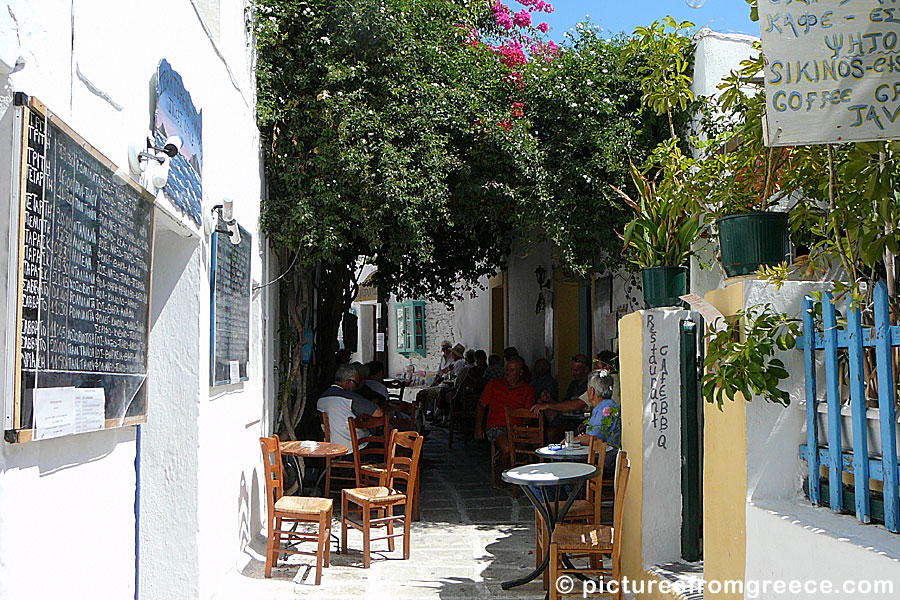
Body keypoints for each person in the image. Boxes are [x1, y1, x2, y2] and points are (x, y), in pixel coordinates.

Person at [474, 357, 535, 472]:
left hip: (516, 428)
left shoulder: (527, 389)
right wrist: (478, 427)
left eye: (512, 370)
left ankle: (502, 457)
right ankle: (504, 476)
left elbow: (527, 415)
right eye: (507, 369)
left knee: (529, 447)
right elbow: (481, 406)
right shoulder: (494, 384)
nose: (508, 373)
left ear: (520, 372)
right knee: (507, 448)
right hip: (496, 427)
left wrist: (522, 432)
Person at [317, 363, 384, 453]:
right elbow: (378, 413)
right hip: (355, 449)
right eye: (356, 384)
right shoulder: (350, 398)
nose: (356, 388)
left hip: (331, 448)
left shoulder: (321, 399)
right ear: (348, 382)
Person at [536, 354, 591, 442]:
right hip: (569, 422)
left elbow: (577, 404)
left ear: (586, 370)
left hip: (583, 424)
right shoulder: (573, 385)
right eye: (572, 370)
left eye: (576, 370)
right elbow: (564, 405)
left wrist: (548, 405)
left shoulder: (591, 386)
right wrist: (549, 400)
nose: (573, 373)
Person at [579, 369, 620, 469]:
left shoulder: (605, 409)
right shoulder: (605, 406)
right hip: (601, 457)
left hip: (601, 461)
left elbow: (593, 439)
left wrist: (570, 440)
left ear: (592, 391)